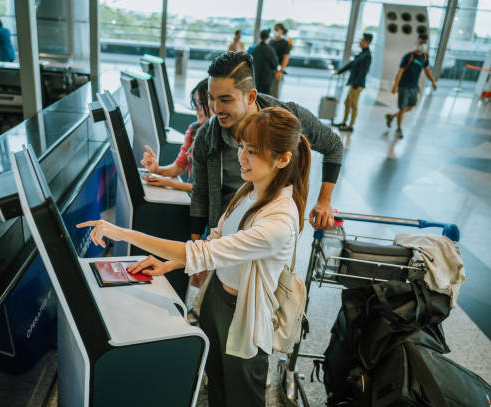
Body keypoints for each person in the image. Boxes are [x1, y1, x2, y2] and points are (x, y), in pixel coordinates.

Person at [77, 107, 311, 407]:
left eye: (252, 151)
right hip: (216, 298)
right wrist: (170, 263)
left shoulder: (278, 221)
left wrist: (122, 233)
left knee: (242, 397)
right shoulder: (250, 189)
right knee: (217, 385)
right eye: (241, 147)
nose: (241, 157)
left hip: (244, 316)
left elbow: (204, 251)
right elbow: (219, 237)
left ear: (282, 159)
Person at [190, 51, 343, 246]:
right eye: (211, 98)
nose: (216, 109)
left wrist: (324, 201)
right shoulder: (207, 136)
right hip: (222, 239)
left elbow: (334, 146)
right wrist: (194, 249)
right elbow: (201, 193)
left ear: (251, 96)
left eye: (226, 100)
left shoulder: (287, 119)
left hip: (266, 240)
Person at [139, 78, 213, 192]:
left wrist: (170, 183)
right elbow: (178, 167)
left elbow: (206, 188)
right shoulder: (193, 130)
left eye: (200, 104)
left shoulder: (223, 139)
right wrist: (157, 169)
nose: (196, 109)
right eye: (195, 104)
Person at [385, 34, 437, 138]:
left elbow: (427, 70)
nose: (423, 45)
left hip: (414, 86)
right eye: (421, 42)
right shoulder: (408, 56)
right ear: (416, 43)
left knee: (410, 107)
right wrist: (395, 86)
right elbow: (400, 71)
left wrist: (433, 81)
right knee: (403, 107)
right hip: (404, 86)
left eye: (425, 43)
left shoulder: (425, 57)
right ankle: (399, 129)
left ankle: (391, 116)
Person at [333, 33, 373, 132]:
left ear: (367, 42)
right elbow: (351, 64)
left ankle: (350, 126)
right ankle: (344, 122)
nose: (360, 42)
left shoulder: (367, 56)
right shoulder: (362, 54)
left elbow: (364, 72)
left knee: (353, 104)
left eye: (362, 40)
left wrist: (356, 84)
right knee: (347, 102)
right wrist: (339, 71)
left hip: (357, 84)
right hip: (353, 83)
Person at [251, 30, 279, 95]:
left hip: (257, 76)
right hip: (267, 77)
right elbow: (275, 63)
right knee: (267, 95)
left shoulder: (256, 49)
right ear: (268, 37)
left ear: (260, 37)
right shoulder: (269, 49)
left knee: (259, 94)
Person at [269, 23, 292, 99]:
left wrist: (281, 71)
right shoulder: (271, 42)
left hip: (278, 70)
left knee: (275, 92)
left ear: (282, 31)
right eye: (274, 29)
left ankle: (275, 109)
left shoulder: (285, 43)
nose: (275, 31)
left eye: (277, 29)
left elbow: (286, 58)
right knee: (267, 92)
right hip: (268, 70)